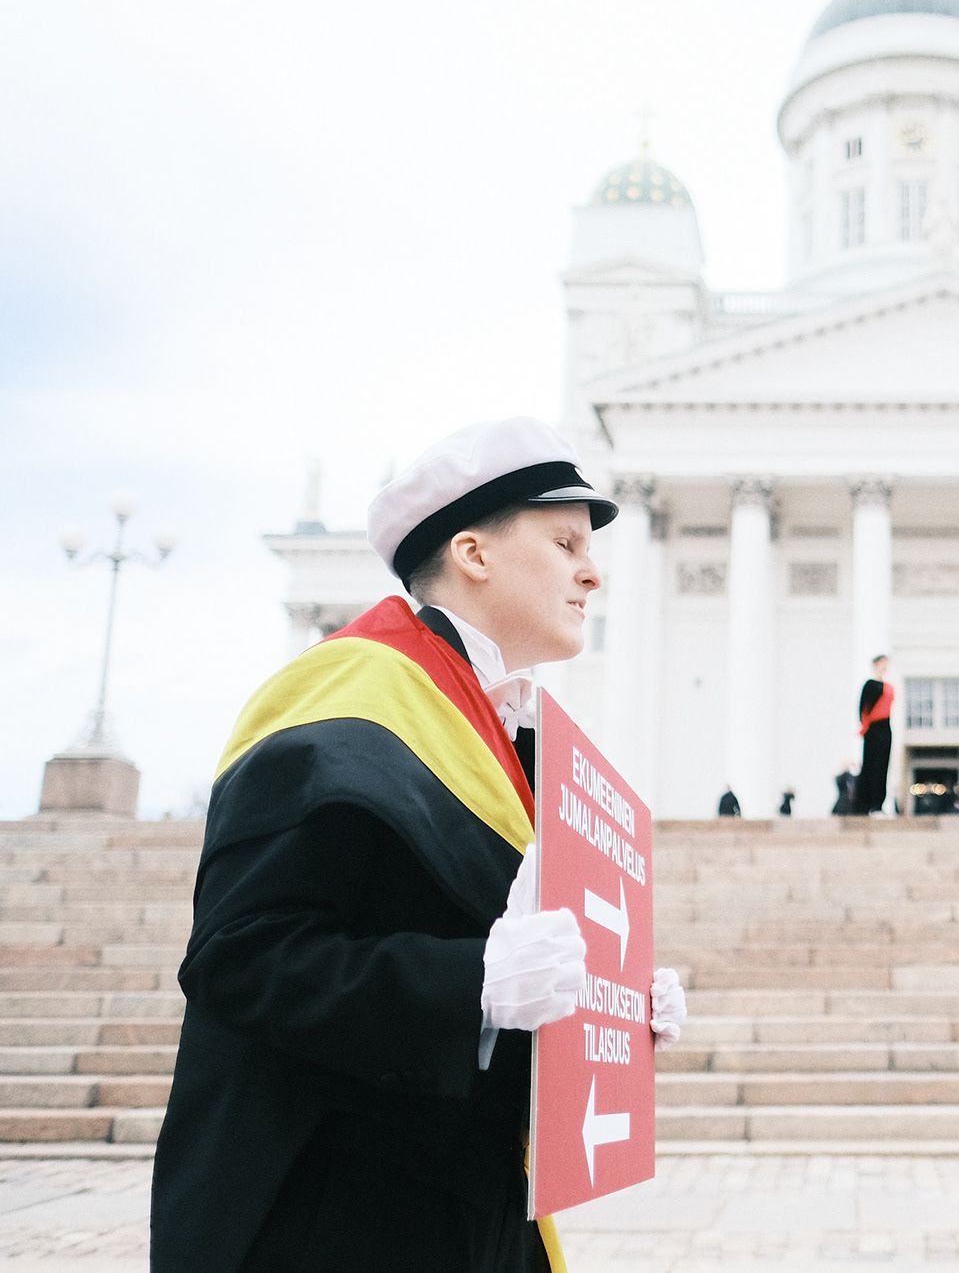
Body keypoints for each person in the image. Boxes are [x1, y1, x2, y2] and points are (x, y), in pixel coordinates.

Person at [150, 417, 687, 1273]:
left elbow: (503, 957)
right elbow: (242, 961)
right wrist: (474, 982)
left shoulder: (529, 742)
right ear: (473, 555)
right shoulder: (342, 696)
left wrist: (607, 1005)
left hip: (483, 1211)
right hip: (337, 1213)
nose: (594, 571)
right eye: (564, 542)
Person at [853, 655, 894, 815]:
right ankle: (865, 804)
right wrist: (865, 727)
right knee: (871, 764)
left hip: (885, 727)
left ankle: (878, 803)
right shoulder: (870, 685)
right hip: (873, 729)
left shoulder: (889, 686)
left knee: (883, 765)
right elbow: (864, 709)